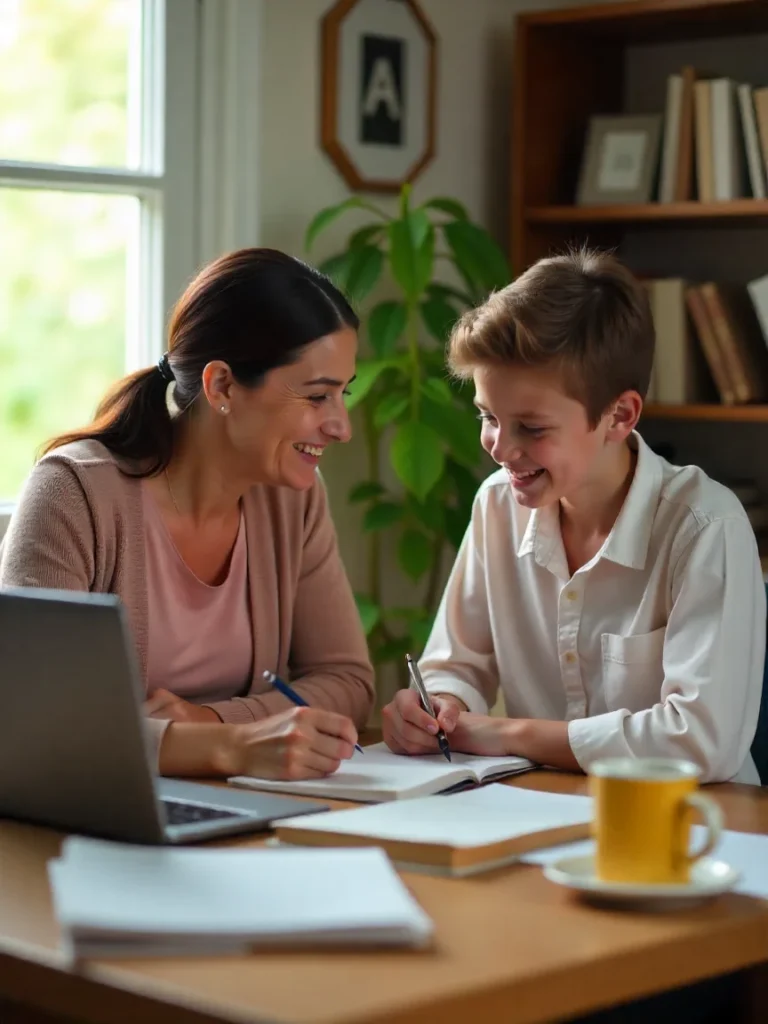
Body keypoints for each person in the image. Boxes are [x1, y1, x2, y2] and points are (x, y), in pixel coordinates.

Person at [382, 247, 765, 784]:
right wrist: (437, 708)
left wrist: (509, 734)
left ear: (619, 415)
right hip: (543, 806)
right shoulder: (496, 504)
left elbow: (701, 741)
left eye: (532, 428)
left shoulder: (704, 526)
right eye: (488, 416)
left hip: (697, 820)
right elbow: (456, 665)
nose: (499, 448)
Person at [0, 248, 374, 781]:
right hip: (95, 811)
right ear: (222, 385)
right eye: (318, 397)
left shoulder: (294, 499)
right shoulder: (74, 493)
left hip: (241, 803)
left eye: (343, 394)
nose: (341, 426)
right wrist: (229, 747)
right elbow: (34, 719)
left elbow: (347, 682)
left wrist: (212, 721)